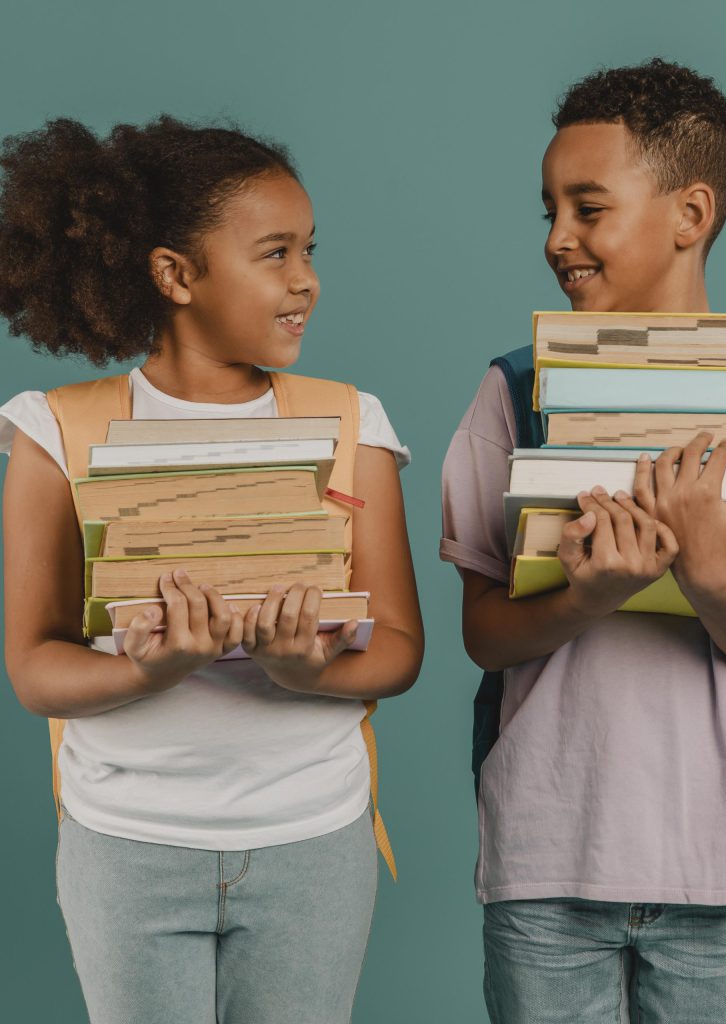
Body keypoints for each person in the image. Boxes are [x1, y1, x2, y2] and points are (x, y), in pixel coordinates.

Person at [0, 116, 424, 1024]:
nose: (305, 278)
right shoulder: (54, 432)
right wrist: (146, 668)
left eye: (310, 250)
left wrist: (304, 668)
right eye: (274, 253)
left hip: (314, 838)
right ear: (175, 274)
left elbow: (399, 648)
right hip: (127, 847)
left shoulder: (355, 424)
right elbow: (35, 665)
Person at [440, 58, 726, 1024]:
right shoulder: (516, 391)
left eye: (588, 208)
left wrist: (709, 579)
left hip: (722, 866)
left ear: (690, 215)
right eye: (549, 212)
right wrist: (585, 600)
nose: (558, 239)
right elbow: (485, 634)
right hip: (547, 859)